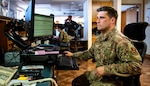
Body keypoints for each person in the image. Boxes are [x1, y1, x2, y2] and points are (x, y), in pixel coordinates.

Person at [64, 6, 142, 86]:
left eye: (101, 18)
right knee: (77, 82)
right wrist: (73, 55)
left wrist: (106, 69)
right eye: (97, 18)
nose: (97, 21)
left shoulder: (121, 41)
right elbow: (89, 53)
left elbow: (136, 66)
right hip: (100, 75)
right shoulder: (100, 38)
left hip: (114, 80)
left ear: (112, 20)